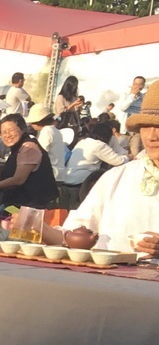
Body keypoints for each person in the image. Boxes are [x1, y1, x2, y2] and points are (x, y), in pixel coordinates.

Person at [44, 79, 159, 255]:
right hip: (108, 281)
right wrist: (36, 227)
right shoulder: (117, 178)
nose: (152, 136)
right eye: (146, 126)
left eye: (158, 127)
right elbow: (75, 233)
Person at [0, 113, 57, 210]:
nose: (7, 135)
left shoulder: (28, 148)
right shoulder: (18, 147)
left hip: (32, 206)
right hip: (19, 202)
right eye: (4, 132)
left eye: (11, 130)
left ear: (23, 129)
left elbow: (18, 180)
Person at [57, 121, 126, 187]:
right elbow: (118, 161)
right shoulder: (99, 145)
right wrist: (128, 157)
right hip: (80, 179)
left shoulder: (84, 141)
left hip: (68, 176)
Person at [27, 105, 66, 178]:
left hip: (52, 172)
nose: (31, 124)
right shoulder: (54, 130)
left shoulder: (46, 131)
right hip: (59, 172)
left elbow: (39, 153)